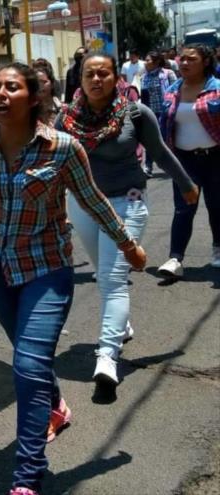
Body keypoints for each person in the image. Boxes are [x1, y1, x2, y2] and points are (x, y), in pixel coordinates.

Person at [0, 63, 146, 495]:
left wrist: (128, 245)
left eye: (11, 87)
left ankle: (26, 475)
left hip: (47, 270)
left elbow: (93, 201)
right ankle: (54, 407)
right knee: (29, 361)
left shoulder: (63, 148)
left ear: (33, 97)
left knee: (28, 366)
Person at [57, 53, 198, 386]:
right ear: (80, 79)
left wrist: (187, 185)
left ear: (115, 77)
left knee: (111, 279)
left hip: (127, 204)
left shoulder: (135, 112)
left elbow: (161, 152)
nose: (96, 80)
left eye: (103, 73)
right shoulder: (67, 120)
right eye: (89, 74)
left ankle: (107, 355)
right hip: (83, 205)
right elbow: (56, 164)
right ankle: (121, 326)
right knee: (103, 274)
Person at [157, 44, 220, 276]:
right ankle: (175, 260)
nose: (184, 63)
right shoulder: (173, 91)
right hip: (184, 161)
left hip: (215, 159)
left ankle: (218, 249)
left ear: (205, 62)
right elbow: (165, 126)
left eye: (190, 59)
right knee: (184, 209)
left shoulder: (217, 89)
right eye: (181, 59)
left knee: (217, 207)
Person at [140, 51, 176, 175]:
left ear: (156, 62)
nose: (145, 62)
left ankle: (173, 166)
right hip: (150, 114)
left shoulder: (168, 74)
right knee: (150, 140)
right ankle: (148, 166)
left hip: (165, 112)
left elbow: (176, 91)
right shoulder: (143, 77)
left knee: (167, 140)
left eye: (148, 60)